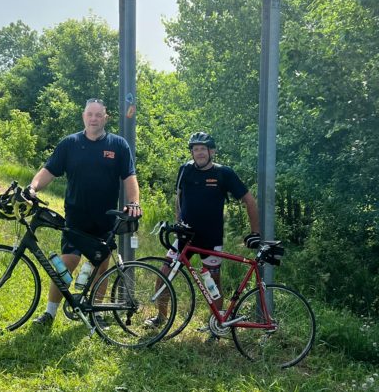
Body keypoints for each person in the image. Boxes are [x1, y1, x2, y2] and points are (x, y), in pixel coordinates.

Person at [26, 98, 141, 327]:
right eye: (90, 114)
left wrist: (134, 202)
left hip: (105, 218)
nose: (94, 119)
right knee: (68, 262)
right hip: (76, 216)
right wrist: (32, 187)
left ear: (105, 117)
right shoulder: (70, 144)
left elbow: (129, 177)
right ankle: (49, 313)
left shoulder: (118, 145)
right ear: (83, 116)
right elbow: (49, 170)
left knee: (101, 266)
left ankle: (95, 313)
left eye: (99, 115)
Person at [147, 132, 261, 339]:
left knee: (212, 283)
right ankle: (161, 318)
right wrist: (178, 220)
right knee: (163, 273)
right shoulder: (185, 170)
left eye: (203, 149)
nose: (199, 153)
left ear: (212, 152)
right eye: (195, 149)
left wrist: (255, 233)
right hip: (185, 236)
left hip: (210, 238)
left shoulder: (224, 173)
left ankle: (216, 327)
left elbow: (250, 201)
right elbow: (179, 197)